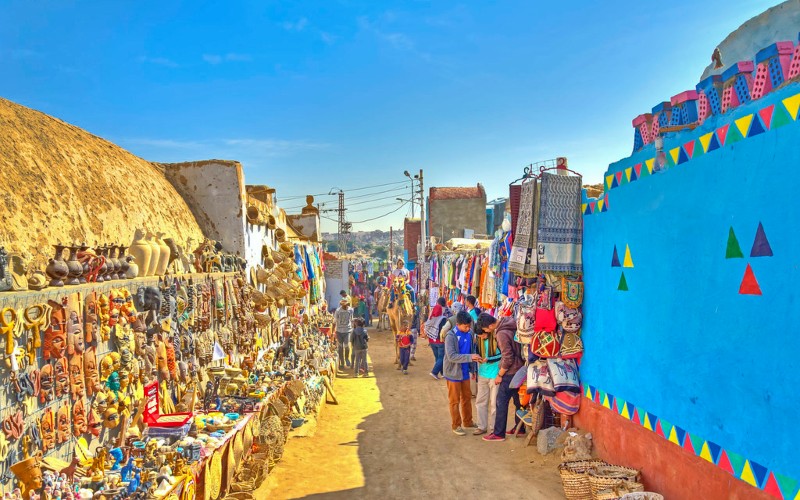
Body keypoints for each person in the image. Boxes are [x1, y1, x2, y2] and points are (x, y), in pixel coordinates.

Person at [482, 313, 524, 442]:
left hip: (510, 372)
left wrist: (500, 375)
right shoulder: (510, 323)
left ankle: (499, 433)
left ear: (490, 325)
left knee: (501, 402)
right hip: (521, 369)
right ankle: (520, 428)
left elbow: (507, 357)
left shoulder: (501, 334)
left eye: (486, 329)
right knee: (519, 401)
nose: (486, 332)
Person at [444, 311, 483, 436]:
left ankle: (468, 421)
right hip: (453, 373)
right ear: (458, 324)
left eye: (469, 326)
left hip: (466, 372)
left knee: (466, 398)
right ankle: (456, 425)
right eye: (465, 326)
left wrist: (473, 369)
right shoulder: (450, 336)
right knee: (454, 401)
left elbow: (471, 350)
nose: (468, 328)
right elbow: (451, 356)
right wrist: (470, 357)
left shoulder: (470, 333)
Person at [473, 313, 504, 436]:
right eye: (480, 335)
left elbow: (503, 355)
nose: (482, 337)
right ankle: (482, 426)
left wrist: (489, 359)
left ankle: (494, 429)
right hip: (482, 373)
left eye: (483, 334)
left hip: (495, 374)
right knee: (480, 401)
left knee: (494, 403)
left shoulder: (496, 337)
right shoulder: (477, 339)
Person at [425, 297, 450, 380]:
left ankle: (443, 372)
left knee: (438, 357)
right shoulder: (442, 319)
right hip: (440, 341)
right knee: (441, 357)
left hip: (432, 340)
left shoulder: (431, 318)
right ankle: (434, 372)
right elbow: (444, 330)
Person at [334, 299, 354, 370]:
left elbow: (351, 320)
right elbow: (335, 321)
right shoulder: (338, 311)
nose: (346, 306)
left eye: (346, 305)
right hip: (339, 331)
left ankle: (347, 359)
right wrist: (334, 331)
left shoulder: (350, 310)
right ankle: (342, 362)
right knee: (340, 347)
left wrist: (353, 329)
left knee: (346, 346)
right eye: (344, 305)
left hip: (347, 331)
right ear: (341, 305)